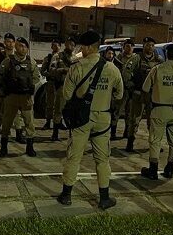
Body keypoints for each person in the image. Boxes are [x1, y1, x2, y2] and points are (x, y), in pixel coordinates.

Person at [56, 30, 124, 210]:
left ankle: (66, 195)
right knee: (102, 160)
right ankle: (104, 198)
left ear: (87, 47)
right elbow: (119, 94)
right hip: (103, 118)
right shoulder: (111, 68)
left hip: (81, 119)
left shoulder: (77, 67)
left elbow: (67, 94)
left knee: (74, 157)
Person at [140, 43, 173, 179]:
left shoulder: (157, 69)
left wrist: (148, 106)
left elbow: (145, 89)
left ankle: (153, 169)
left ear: (166, 54)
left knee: (155, 140)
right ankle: (169, 168)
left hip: (158, 109)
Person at [0, 37, 40, 157]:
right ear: (16, 47)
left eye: (25, 46)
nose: (23, 48)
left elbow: (37, 77)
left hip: (26, 98)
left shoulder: (31, 62)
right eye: (21, 46)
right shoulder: (8, 61)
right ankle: (3, 147)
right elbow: (0, 77)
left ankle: (29, 147)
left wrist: (28, 85)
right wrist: (8, 87)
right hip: (12, 97)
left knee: (29, 123)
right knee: (6, 122)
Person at [123, 37, 163, 152]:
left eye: (152, 45)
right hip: (139, 93)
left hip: (152, 95)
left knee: (154, 121)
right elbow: (126, 73)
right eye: (148, 45)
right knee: (134, 119)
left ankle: (154, 144)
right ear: (144, 46)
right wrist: (131, 86)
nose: (150, 47)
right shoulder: (136, 58)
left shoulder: (158, 60)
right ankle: (130, 142)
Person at [0, 33, 26, 144]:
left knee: (17, 113)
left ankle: (19, 133)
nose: (10, 43)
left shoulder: (18, 56)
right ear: (4, 42)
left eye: (12, 42)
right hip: (2, 88)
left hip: (15, 91)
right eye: (8, 41)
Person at [48, 36, 78, 141]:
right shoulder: (58, 56)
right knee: (58, 110)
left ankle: (72, 133)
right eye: (69, 44)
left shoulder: (76, 58)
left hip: (73, 87)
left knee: (72, 111)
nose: (71, 46)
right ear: (65, 44)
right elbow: (51, 70)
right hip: (61, 86)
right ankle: (55, 133)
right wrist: (63, 70)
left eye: (73, 45)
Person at [110, 38, 136, 140]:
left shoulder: (135, 59)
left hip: (131, 89)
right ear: (123, 47)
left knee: (130, 113)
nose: (129, 48)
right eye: (127, 46)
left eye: (131, 46)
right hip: (121, 88)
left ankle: (127, 132)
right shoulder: (119, 58)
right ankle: (113, 133)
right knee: (117, 111)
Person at [41, 39, 61, 130]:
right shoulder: (48, 58)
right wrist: (50, 74)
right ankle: (48, 121)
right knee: (49, 103)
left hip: (60, 83)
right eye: (54, 45)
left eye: (57, 45)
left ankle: (59, 122)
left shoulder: (63, 57)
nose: (55, 47)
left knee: (60, 104)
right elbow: (42, 71)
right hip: (51, 82)